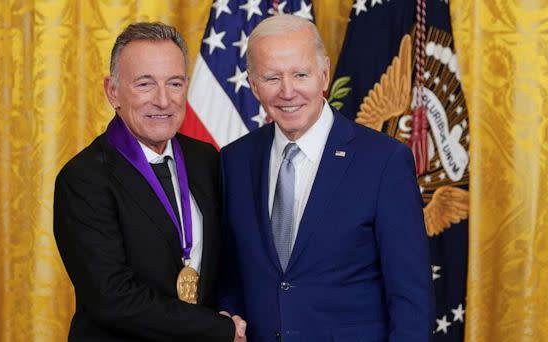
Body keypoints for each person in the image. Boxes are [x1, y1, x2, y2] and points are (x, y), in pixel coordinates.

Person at [218, 15, 434, 341]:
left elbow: (411, 300)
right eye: (272, 77)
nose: (287, 91)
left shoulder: (384, 161)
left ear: (325, 75)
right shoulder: (234, 160)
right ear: (253, 84)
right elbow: (231, 274)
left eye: (300, 74)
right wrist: (227, 318)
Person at [54, 22, 246, 341]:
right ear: (112, 91)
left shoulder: (206, 159)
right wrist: (219, 329)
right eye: (145, 84)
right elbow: (113, 299)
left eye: (174, 83)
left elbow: (227, 262)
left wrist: (233, 313)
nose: (163, 100)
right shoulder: (83, 179)